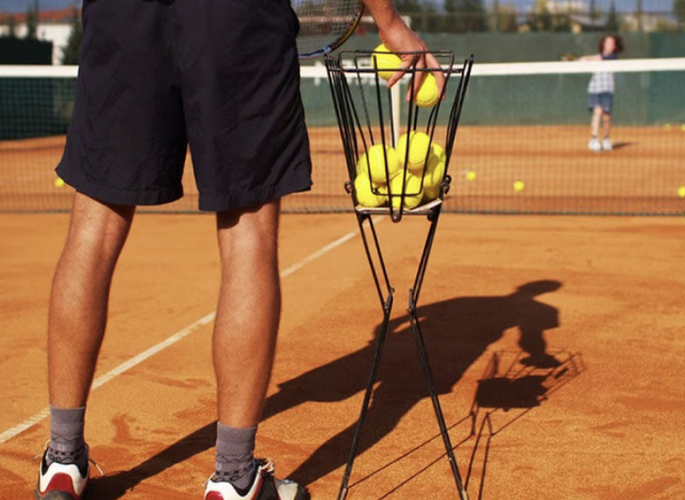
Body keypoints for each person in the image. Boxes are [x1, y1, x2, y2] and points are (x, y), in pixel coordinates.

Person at [34, 2, 440, 500]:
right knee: (249, 232)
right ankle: (234, 477)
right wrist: (389, 23)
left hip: (124, 14)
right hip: (235, 17)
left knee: (92, 229)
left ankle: (62, 460)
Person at [580, 34, 624, 153]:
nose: (610, 45)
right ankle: (594, 139)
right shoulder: (597, 58)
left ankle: (606, 139)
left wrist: (587, 58)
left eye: (612, 43)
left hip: (608, 89)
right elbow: (594, 59)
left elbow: (601, 58)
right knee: (597, 111)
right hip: (595, 89)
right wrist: (582, 60)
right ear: (603, 44)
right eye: (608, 42)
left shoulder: (613, 58)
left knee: (606, 117)